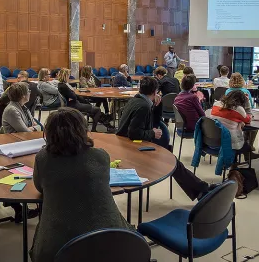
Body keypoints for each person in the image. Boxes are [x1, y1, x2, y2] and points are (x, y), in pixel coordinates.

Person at [29, 108, 132, 261]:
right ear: (83, 130)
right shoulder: (101, 156)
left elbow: (39, 187)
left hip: (60, 251)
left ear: (49, 133)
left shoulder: (43, 159)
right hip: (115, 242)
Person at [116, 77, 217, 201]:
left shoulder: (137, 101)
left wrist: (158, 106)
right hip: (132, 148)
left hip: (129, 144)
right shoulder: (143, 106)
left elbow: (154, 122)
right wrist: (152, 133)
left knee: (172, 161)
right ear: (155, 92)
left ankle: (202, 190)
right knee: (172, 161)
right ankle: (203, 189)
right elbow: (134, 133)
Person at [208, 90, 252, 159]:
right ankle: (235, 165)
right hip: (228, 142)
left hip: (213, 139)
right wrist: (248, 102)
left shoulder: (216, 104)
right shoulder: (238, 109)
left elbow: (227, 118)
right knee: (246, 146)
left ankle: (238, 161)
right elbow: (248, 119)